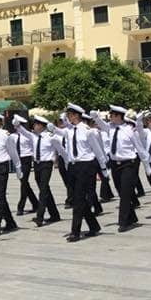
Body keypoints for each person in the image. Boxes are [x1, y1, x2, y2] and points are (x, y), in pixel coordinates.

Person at [56, 103, 107, 242]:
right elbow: (61, 133)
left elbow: (97, 150)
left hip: (86, 166)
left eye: (70, 115)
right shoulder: (70, 130)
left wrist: (103, 168)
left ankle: (75, 231)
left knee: (78, 200)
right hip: (73, 166)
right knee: (77, 198)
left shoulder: (88, 131)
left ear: (76, 115)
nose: (67, 118)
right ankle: (94, 225)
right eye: (67, 115)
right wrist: (53, 129)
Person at [97, 106, 151, 232]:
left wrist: (147, 165)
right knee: (121, 192)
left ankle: (123, 222)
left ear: (119, 116)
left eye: (112, 115)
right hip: (115, 164)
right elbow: (101, 125)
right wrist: (95, 117)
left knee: (126, 193)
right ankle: (132, 217)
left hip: (128, 164)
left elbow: (140, 148)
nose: (110, 118)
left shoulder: (129, 131)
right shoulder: (110, 128)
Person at [13, 115, 64, 226]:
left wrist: (65, 161)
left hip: (46, 164)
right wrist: (17, 124)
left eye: (36, 124)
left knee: (43, 190)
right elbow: (23, 131)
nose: (34, 126)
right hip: (37, 164)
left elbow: (61, 149)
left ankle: (39, 216)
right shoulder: (33, 136)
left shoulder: (51, 137)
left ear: (41, 126)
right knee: (45, 190)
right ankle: (55, 214)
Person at [12, 118, 39, 216]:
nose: (16, 127)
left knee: (23, 183)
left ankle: (21, 207)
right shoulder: (13, 136)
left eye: (18, 125)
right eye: (15, 125)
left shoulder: (29, 135)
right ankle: (35, 203)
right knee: (24, 183)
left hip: (26, 159)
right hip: (17, 160)